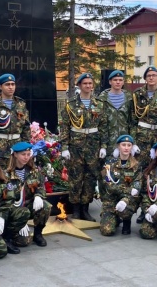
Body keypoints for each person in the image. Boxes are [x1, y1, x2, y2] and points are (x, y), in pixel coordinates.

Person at [59, 73, 109, 221]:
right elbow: (64, 127)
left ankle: (85, 210)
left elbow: (104, 127)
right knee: (76, 178)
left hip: (93, 146)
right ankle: (75, 210)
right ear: (79, 85)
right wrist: (64, 147)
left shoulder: (99, 104)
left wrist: (103, 146)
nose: (88, 86)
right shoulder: (71, 104)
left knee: (90, 179)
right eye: (85, 83)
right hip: (76, 147)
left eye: (90, 83)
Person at [4, 141, 51, 247]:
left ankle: (38, 234)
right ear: (15, 154)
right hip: (13, 209)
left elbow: (40, 186)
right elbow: (4, 198)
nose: (26, 157)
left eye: (28, 154)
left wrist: (38, 196)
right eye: (23, 154)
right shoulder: (6, 173)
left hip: (28, 205)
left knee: (46, 206)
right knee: (23, 242)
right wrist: (22, 219)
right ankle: (9, 235)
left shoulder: (34, 171)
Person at [0, 73, 31, 168]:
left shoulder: (21, 104)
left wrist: (26, 147)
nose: (11, 87)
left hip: (17, 148)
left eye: (13, 84)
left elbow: (26, 127)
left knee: (16, 174)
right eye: (7, 84)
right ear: (0, 87)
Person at [99, 135, 142, 236]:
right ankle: (115, 218)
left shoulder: (136, 165)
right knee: (107, 231)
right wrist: (127, 190)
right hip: (111, 199)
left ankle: (126, 221)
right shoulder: (110, 164)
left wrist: (125, 199)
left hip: (128, 200)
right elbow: (107, 184)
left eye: (129, 145)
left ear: (132, 147)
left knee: (125, 208)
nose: (126, 148)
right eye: (123, 145)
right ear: (118, 146)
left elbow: (137, 185)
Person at [98, 70, 133, 149]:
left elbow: (132, 122)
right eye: (115, 80)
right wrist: (103, 145)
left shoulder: (129, 98)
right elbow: (100, 123)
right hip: (108, 142)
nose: (118, 82)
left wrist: (133, 142)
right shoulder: (102, 99)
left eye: (120, 80)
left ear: (123, 82)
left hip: (125, 141)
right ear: (110, 82)